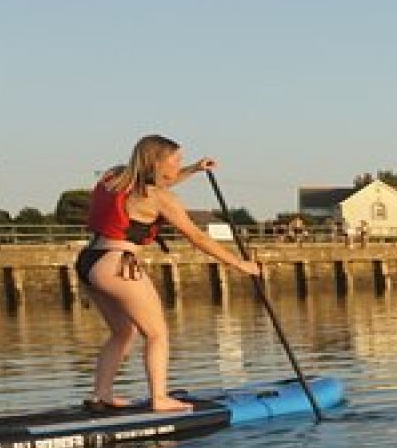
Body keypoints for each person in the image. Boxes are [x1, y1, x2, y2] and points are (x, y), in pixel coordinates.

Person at [77, 134, 261, 413]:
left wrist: (194, 170)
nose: (179, 165)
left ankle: (100, 395)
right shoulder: (161, 199)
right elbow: (199, 238)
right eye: (177, 160)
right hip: (118, 265)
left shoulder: (114, 178)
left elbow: (153, 180)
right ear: (158, 162)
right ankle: (159, 399)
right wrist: (240, 264)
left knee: (122, 332)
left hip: (89, 261)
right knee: (157, 334)